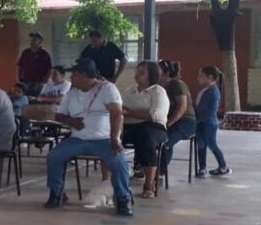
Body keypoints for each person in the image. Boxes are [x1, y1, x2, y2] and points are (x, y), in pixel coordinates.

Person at [44, 58, 132, 216]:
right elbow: (58, 116)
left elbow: (117, 113)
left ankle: (122, 198)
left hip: (104, 139)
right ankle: (57, 193)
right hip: (77, 139)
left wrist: (114, 139)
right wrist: (71, 121)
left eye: (74, 74)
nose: (71, 78)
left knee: (118, 162)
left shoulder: (107, 89)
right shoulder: (71, 93)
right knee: (54, 156)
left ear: (84, 75)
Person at [121, 62, 170, 199]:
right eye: (137, 70)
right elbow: (120, 110)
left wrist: (129, 112)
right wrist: (130, 113)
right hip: (129, 126)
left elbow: (155, 115)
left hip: (154, 127)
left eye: (142, 72)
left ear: (151, 75)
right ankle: (111, 181)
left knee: (147, 138)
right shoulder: (129, 91)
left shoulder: (158, 91)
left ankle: (149, 184)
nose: (137, 74)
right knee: (112, 138)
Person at [158, 59, 195, 174]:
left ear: (167, 73)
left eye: (157, 70)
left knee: (165, 142)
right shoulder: (158, 86)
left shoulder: (177, 85)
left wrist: (168, 123)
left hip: (185, 122)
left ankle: (159, 172)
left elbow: (182, 108)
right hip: (169, 121)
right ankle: (142, 168)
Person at [195, 66, 230, 177]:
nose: (198, 78)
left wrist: (195, 111)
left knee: (212, 144)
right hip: (200, 122)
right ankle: (202, 168)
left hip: (208, 123)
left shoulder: (213, 91)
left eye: (201, 75)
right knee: (200, 145)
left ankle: (223, 166)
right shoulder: (205, 90)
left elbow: (205, 108)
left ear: (210, 77)